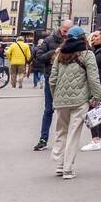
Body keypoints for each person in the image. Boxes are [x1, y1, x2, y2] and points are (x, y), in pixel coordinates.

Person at [47, 26, 101, 180]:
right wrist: (97, 96)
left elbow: (52, 79)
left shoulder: (60, 55)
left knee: (61, 131)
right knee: (73, 133)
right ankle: (68, 168)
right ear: (83, 38)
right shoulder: (87, 54)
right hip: (79, 100)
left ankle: (59, 164)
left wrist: (55, 96)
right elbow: (93, 77)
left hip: (60, 100)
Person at [32, 20, 71, 151]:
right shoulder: (49, 40)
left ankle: (65, 140)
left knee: (66, 111)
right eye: (65, 31)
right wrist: (55, 52)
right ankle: (43, 139)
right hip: (51, 79)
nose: (66, 33)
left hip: (68, 80)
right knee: (49, 109)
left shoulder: (74, 41)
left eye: (69, 31)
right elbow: (39, 57)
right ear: (61, 29)